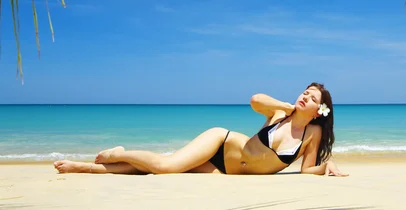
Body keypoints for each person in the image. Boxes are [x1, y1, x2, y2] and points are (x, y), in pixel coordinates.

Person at [53, 82, 348, 177]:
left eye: (312, 98)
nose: (305, 96)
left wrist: (326, 166)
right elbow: (255, 100)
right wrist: (285, 105)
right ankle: (121, 152)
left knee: (153, 172)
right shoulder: (280, 112)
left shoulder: (313, 134)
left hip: (225, 171)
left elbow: (305, 172)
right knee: (166, 166)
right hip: (222, 142)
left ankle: (83, 168)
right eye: (305, 91)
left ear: (319, 111)